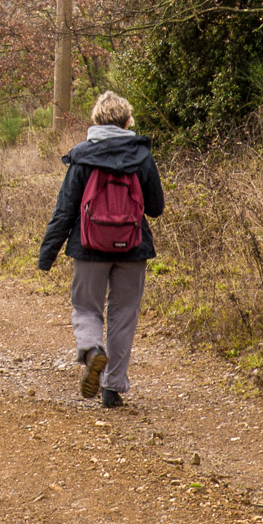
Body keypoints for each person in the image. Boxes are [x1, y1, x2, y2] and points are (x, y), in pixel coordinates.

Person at [36, 91, 166, 408]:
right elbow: (155, 208)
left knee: (86, 309)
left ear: (96, 121)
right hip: (133, 247)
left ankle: (93, 351)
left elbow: (65, 210)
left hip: (88, 246)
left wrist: (47, 254)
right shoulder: (141, 156)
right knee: (123, 315)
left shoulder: (82, 156)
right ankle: (112, 389)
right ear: (126, 121)